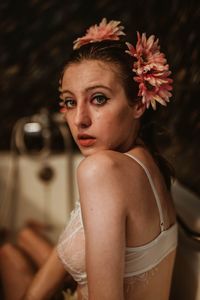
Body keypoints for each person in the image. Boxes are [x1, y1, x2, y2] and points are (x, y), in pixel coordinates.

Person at [0, 18, 177, 300]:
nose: (79, 120)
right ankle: (25, 234)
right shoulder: (144, 159)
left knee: (7, 256)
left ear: (139, 104)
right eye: (70, 102)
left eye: (98, 99)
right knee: (10, 251)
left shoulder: (101, 169)